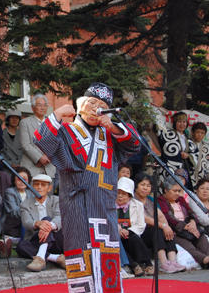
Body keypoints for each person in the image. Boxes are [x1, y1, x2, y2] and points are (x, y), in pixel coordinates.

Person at [33, 82, 141, 292]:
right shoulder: (66, 131)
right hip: (77, 206)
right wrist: (57, 113)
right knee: (81, 259)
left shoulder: (111, 134)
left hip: (105, 206)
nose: (95, 108)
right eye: (91, 102)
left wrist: (114, 127)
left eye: (101, 105)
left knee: (107, 258)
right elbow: (41, 139)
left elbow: (136, 143)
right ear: (80, 103)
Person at [133, 173, 186, 273]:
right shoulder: (133, 200)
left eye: (148, 186)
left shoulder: (151, 200)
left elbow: (160, 216)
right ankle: (163, 263)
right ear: (136, 186)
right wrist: (164, 226)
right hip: (140, 232)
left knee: (167, 230)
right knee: (158, 230)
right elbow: (145, 219)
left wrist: (167, 227)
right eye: (142, 184)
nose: (145, 188)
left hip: (152, 229)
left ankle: (172, 261)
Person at [158, 176, 209, 269]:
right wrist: (186, 227)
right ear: (166, 190)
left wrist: (192, 223)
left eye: (179, 191)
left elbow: (191, 212)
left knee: (201, 237)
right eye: (174, 191)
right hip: (176, 230)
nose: (177, 193)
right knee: (186, 243)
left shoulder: (180, 199)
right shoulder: (161, 200)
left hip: (187, 228)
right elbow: (168, 217)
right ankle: (205, 260)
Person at [15, 174, 66, 272]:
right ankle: (56, 258)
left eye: (43, 185)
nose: (39, 187)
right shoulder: (25, 204)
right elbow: (26, 222)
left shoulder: (56, 200)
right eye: (36, 184)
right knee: (21, 246)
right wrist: (37, 223)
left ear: (49, 188)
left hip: (57, 240)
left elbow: (59, 217)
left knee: (47, 220)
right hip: (37, 239)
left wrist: (48, 226)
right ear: (32, 187)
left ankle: (40, 258)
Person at [116, 177, 154, 277]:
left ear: (130, 196)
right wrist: (119, 229)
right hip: (116, 234)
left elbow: (141, 225)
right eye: (118, 193)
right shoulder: (109, 205)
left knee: (134, 239)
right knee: (117, 242)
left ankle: (148, 263)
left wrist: (128, 231)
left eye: (124, 194)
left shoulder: (138, 205)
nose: (120, 196)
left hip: (130, 233)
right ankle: (133, 266)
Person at [19, 94, 56, 185]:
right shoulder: (24, 123)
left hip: (49, 167)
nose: (42, 107)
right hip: (31, 168)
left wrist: (47, 158)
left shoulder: (52, 123)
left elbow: (56, 143)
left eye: (45, 105)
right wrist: (39, 158)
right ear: (32, 107)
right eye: (39, 105)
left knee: (48, 198)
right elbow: (25, 145)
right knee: (32, 197)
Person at [156, 112, 198, 189]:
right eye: (179, 122)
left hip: (184, 172)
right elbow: (158, 129)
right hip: (170, 168)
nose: (182, 124)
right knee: (169, 188)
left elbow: (196, 154)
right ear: (175, 123)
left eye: (184, 122)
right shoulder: (167, 135)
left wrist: (188, 156)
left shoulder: (190, 141)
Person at [2, 167, 33, 239]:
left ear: (28, 181)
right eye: (19, 179)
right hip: (13, 224)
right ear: (14, 181)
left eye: (24, 179)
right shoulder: (9, 192)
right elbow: (14, 212)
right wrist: (30, 211)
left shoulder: (31, 193)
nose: (22, 181)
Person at [1, 109, 23, 176]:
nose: (15, 120)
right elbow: (0, 151)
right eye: (12, 117)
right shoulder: (1, 134)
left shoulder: (22, 134)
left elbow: (25, 151)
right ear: (8, 119)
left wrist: (21, 163)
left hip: (20, 169)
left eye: (17, 118)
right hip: (6, 169)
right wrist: (9, 163)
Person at [190, 122, 209, 189]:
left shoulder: (206, 148)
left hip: (201, 178)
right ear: (193, 132)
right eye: (198, 132)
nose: (200, 135)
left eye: (202, 133)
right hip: (189, 177)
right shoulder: (187, 143)